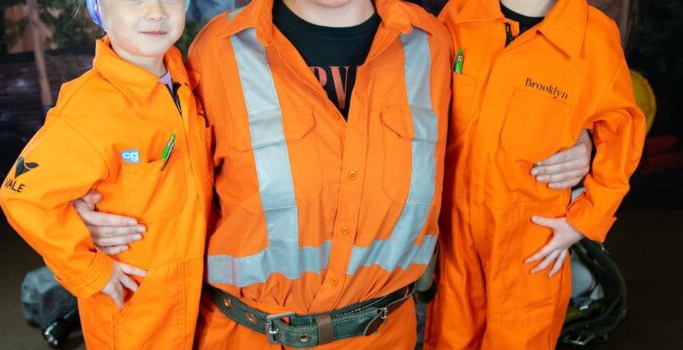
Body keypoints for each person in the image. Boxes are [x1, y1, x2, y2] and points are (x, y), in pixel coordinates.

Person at [73, 0, 593, 348]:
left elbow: (505, 110)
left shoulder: (436, 43)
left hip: (383, 337)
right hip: (243, 335)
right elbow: (148, 149)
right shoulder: (215, 51)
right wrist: (94, 205)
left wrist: (583, 143)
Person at [425, 0, 646, 348]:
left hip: (531, 246)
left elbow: (622, 130)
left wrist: (585, 219)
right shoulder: (461, 14)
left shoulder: (594, 36)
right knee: (449, 339)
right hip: (452, 238)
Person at [0, 0, 212, 348]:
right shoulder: (88, 108)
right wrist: (89, 270)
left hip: (198, 301)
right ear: (98, 10)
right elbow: (23, 197)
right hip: (134, 311)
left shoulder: (187, 84)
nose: (156, 11)